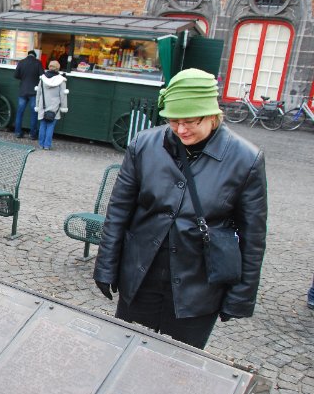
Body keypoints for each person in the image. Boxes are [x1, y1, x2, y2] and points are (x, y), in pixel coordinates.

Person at [93, 68, 268, 349]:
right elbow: (118, 213)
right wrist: (106, 266)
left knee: (180, 367)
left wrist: (240, 296)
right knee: (126, 352)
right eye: (174, 122)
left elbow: (253, 236)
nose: (182, 130)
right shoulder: (144, 145)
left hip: (198, 286)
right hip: (141, 276)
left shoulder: (245, 159)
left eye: (190, 122)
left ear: (213, 115)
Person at [33, 60, 68, 150]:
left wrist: (37, 105)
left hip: (42, 105)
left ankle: (41, 144)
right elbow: (63, 95)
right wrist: (64, 107)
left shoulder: (42, 78)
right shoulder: (61, 80)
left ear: (49, 66)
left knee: (43, 125)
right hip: (55, 106)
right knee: (51, 126)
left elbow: (38, 93)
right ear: (58, 68)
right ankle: (47, 145)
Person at [13, 50, 44, 139]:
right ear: (35, 56)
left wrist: (23, 78)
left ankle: (18, 132)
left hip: (23, 91)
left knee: (20, 112)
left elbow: (15, 75)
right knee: (34, 113)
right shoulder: (38, 63)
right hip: (34, 92)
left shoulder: (21, 62)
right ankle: (32, 134)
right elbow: (42, 76)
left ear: (28, 55)